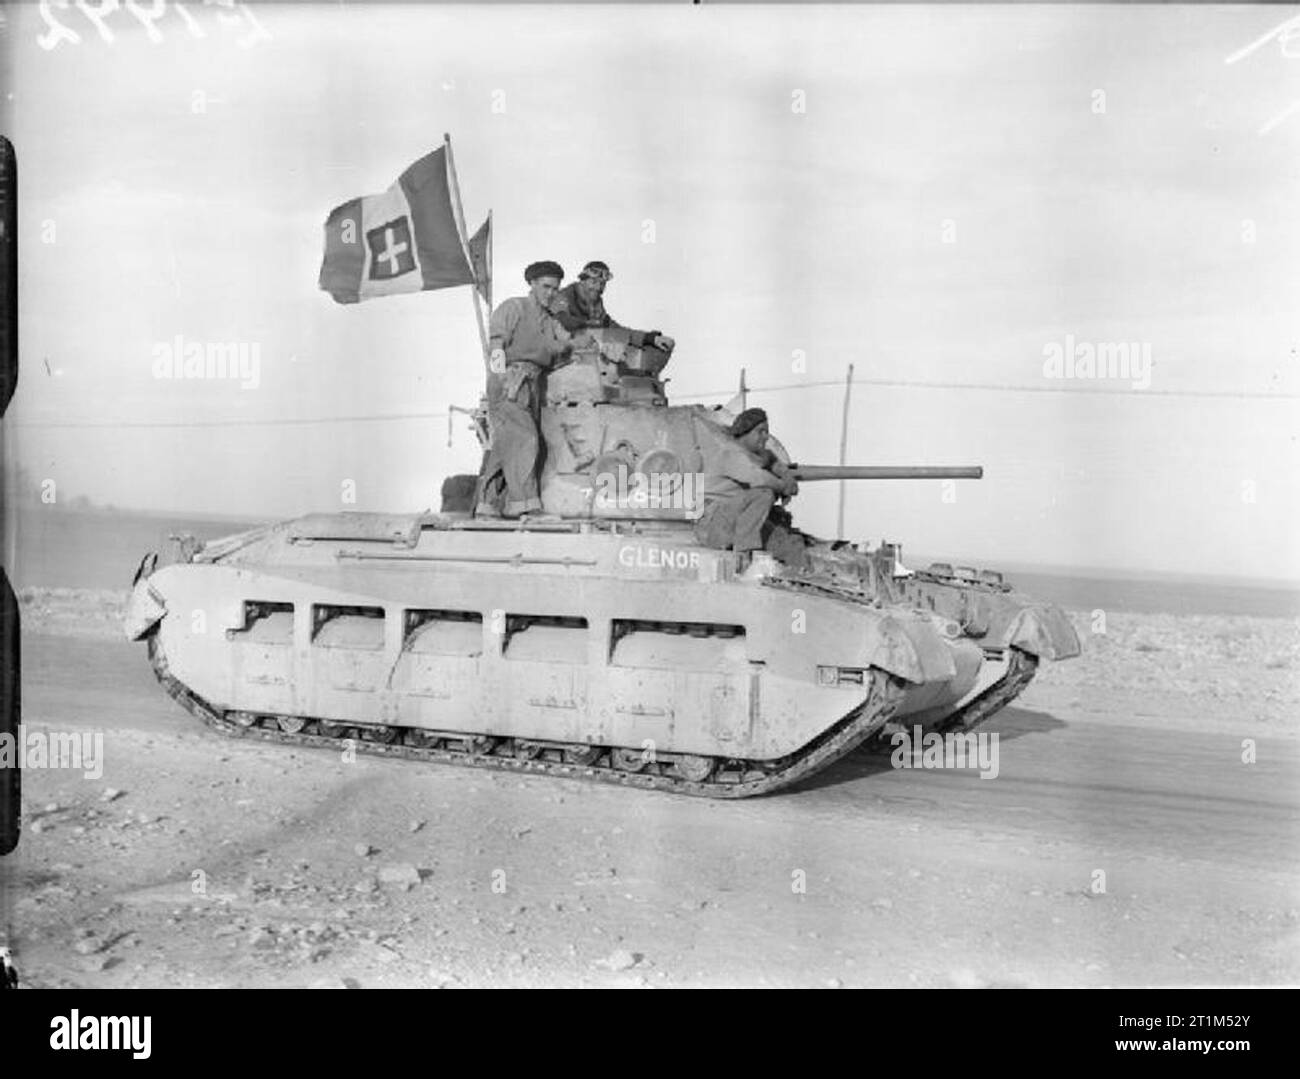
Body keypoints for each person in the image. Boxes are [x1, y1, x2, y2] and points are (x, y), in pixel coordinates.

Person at [476, 261, 572, 518]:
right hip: (511, 380)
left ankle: (488, 505)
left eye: (555, 288)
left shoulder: (550, 321)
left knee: (507, 444)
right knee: (524, 438)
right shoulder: (514, 307)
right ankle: (526, 506)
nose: (550, 292)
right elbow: (496, 346)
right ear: (532, 284)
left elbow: (567, 345)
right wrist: (500, 378)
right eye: (546, 286)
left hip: (535, 384)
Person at [693, 407, 809, 568]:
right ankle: (744, 553)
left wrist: (787, 477)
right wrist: (784, 487)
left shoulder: (755, 454)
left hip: (738, 521)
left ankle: (803, 574)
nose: (766, 436)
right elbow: (759, 478)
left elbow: (773, 462)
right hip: (712, 523)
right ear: (744, 432)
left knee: (788, 541)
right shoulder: (730, 453)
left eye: (767, 431)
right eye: (760, 431)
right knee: (763, 493)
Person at [552, 260, 675, 355]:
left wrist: (650, 338)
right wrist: (591, 324)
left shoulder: (595, 305)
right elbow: (562, 321)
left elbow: (615, 329)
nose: (598, 288)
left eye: (602, 284)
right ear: (582, 281)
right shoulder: (564, 296)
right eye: (594, 282)